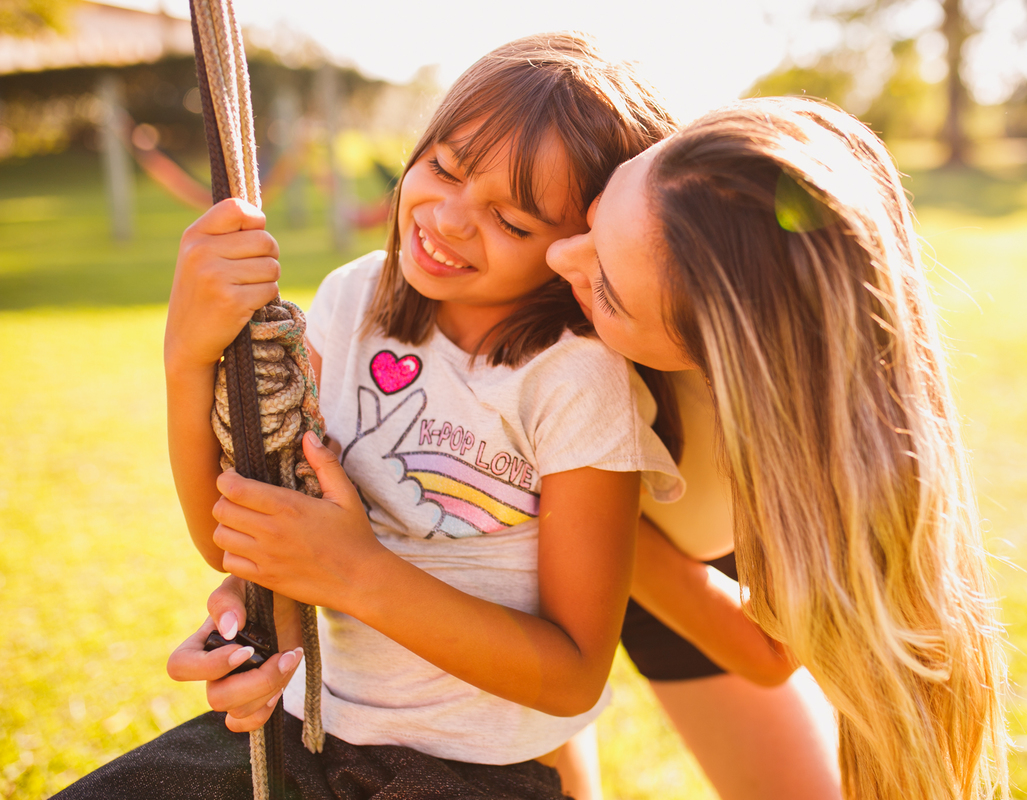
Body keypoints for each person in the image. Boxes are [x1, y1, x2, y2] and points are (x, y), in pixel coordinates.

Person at [53, 33, 685, 800]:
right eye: (442, 169)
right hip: (309, 731)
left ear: (580, 245)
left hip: (476, 769)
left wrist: (354, 572)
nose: (450, 218)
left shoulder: (576, 378)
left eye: (512, 221)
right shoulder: (352, 301)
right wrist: (187, 361)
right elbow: (242, 535)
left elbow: (573, 675)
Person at [545, 96, 1010, 800]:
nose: (557, 257)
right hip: (511, 550)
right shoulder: (663, 203)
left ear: (715, 362)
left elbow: (766, 654)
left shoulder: (812, 444)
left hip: (669, 562)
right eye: (596, 213)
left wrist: (592, 517)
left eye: (607, 290)